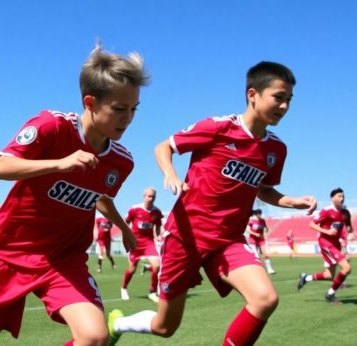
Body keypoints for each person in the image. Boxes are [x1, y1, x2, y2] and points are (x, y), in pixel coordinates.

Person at [108, 61, 317, 346]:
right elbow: (164, 146)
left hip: (227, 241)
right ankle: (118, 324)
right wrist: (170, 173)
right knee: (165, 326)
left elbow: (264, 190)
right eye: (278, 98)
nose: (284, 107)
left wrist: (291, 201)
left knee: (265, 299)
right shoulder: (218, 128)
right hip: (186, 238)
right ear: (252, 94)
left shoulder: (276, 149)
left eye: (289, 100)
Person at [0, 42, 148, 346]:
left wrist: (124, 229)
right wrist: (60, 163)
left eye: (134, 109)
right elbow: (0, 167)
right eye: (120, 109)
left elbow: (99, 196)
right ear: (90, 103)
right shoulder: (52, 126)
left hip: (62, 259)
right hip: (9, 253)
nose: (128, 118)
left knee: (95, 337)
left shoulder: (121, 161)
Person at [298, 188, 353, 303]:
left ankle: (306, 278)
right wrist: (327, 231)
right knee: (347, 268)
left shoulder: (345, 213)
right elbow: (311, 224)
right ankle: (330, 294)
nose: (342, 198)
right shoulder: (326, 211)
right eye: (339, 196)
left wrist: (351, 232)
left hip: (336, 243)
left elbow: (348, 227)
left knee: (329, 275)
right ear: (332, 198)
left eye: (343, 196)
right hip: (325, 243)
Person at [120, 187, 163, 303]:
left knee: (157, 266)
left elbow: (158, 225)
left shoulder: (157, 212)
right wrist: (127, 237)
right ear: (144, 196)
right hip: (135, 243)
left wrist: (158, 235)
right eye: (149, 196)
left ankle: (152, 292)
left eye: (153, 196)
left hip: (149, 243)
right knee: (132, 269)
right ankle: (124, 288)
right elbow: (125, 223)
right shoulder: (135, 209)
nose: (151, 198)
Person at [246, 209, 275, 274]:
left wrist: (266, 230)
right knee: (256, 256)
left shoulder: (262, 220)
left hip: (261, 239)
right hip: (253, 240)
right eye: (259, 214)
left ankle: (269, 269)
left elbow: (265, 228)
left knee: (266, 254)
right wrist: (255, 234)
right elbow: (248, 230)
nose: (260, 215)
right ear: (255, 214)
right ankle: (258, 271)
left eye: (260, 214)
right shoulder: (251, 220)